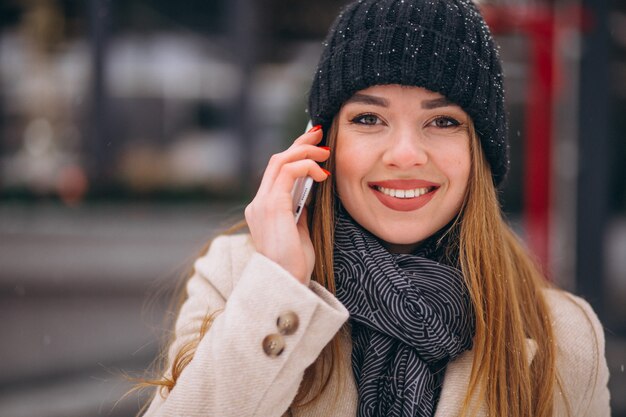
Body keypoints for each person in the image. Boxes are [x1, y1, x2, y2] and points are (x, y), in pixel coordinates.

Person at [138, 0, 611, 416]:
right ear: (320, 144)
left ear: (479, 154)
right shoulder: (238, 279)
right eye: (369, 118)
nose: (405, 153)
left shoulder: (565, 335)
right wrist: (279, 285)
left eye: (443, 121)